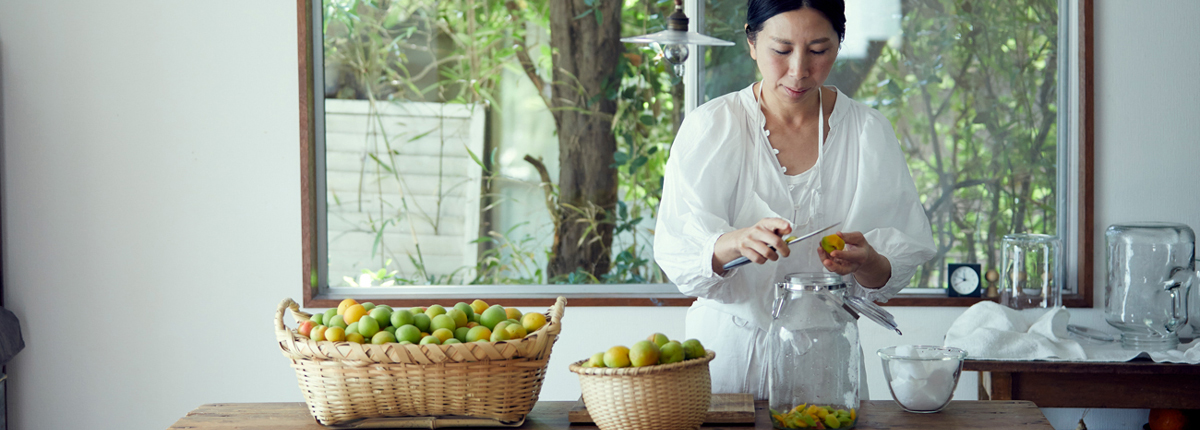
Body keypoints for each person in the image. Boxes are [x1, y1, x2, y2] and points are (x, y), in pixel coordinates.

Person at [653, 0, 936, 400]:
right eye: (781, 50)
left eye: (819, 50)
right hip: (726, 362)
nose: (799, 70)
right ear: (752, 42)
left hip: (825, 367)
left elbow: (886, 275)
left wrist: (869, 261)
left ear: (839, 44)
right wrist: (733, 242)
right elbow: (678, 253)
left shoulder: (868, 133)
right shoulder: (710, 126)